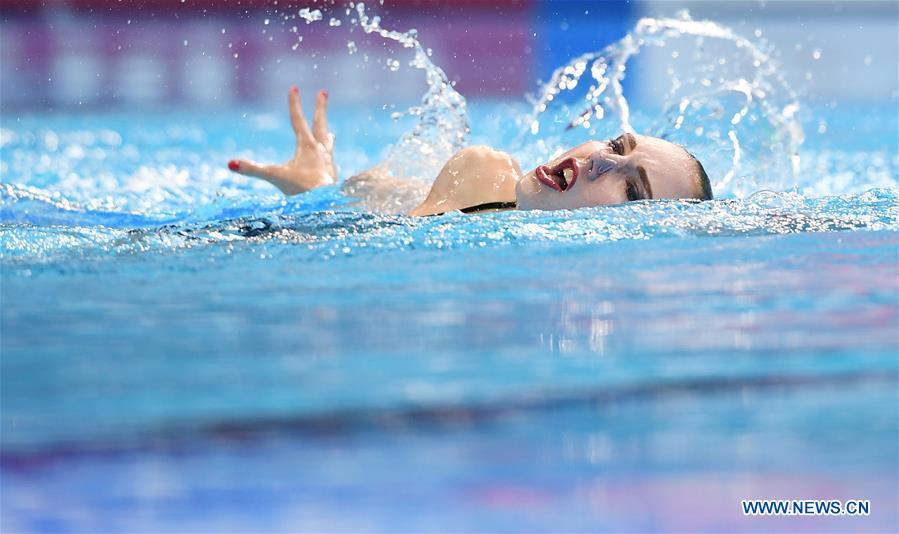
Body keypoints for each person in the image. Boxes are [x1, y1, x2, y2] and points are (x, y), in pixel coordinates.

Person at [227, 87, 712, 216]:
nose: (602, 160)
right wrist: (321, 192)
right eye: (614, 144)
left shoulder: (479, 189)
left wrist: (315, 195)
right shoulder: (483, 178)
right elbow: (365, 200)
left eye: (631, 189)